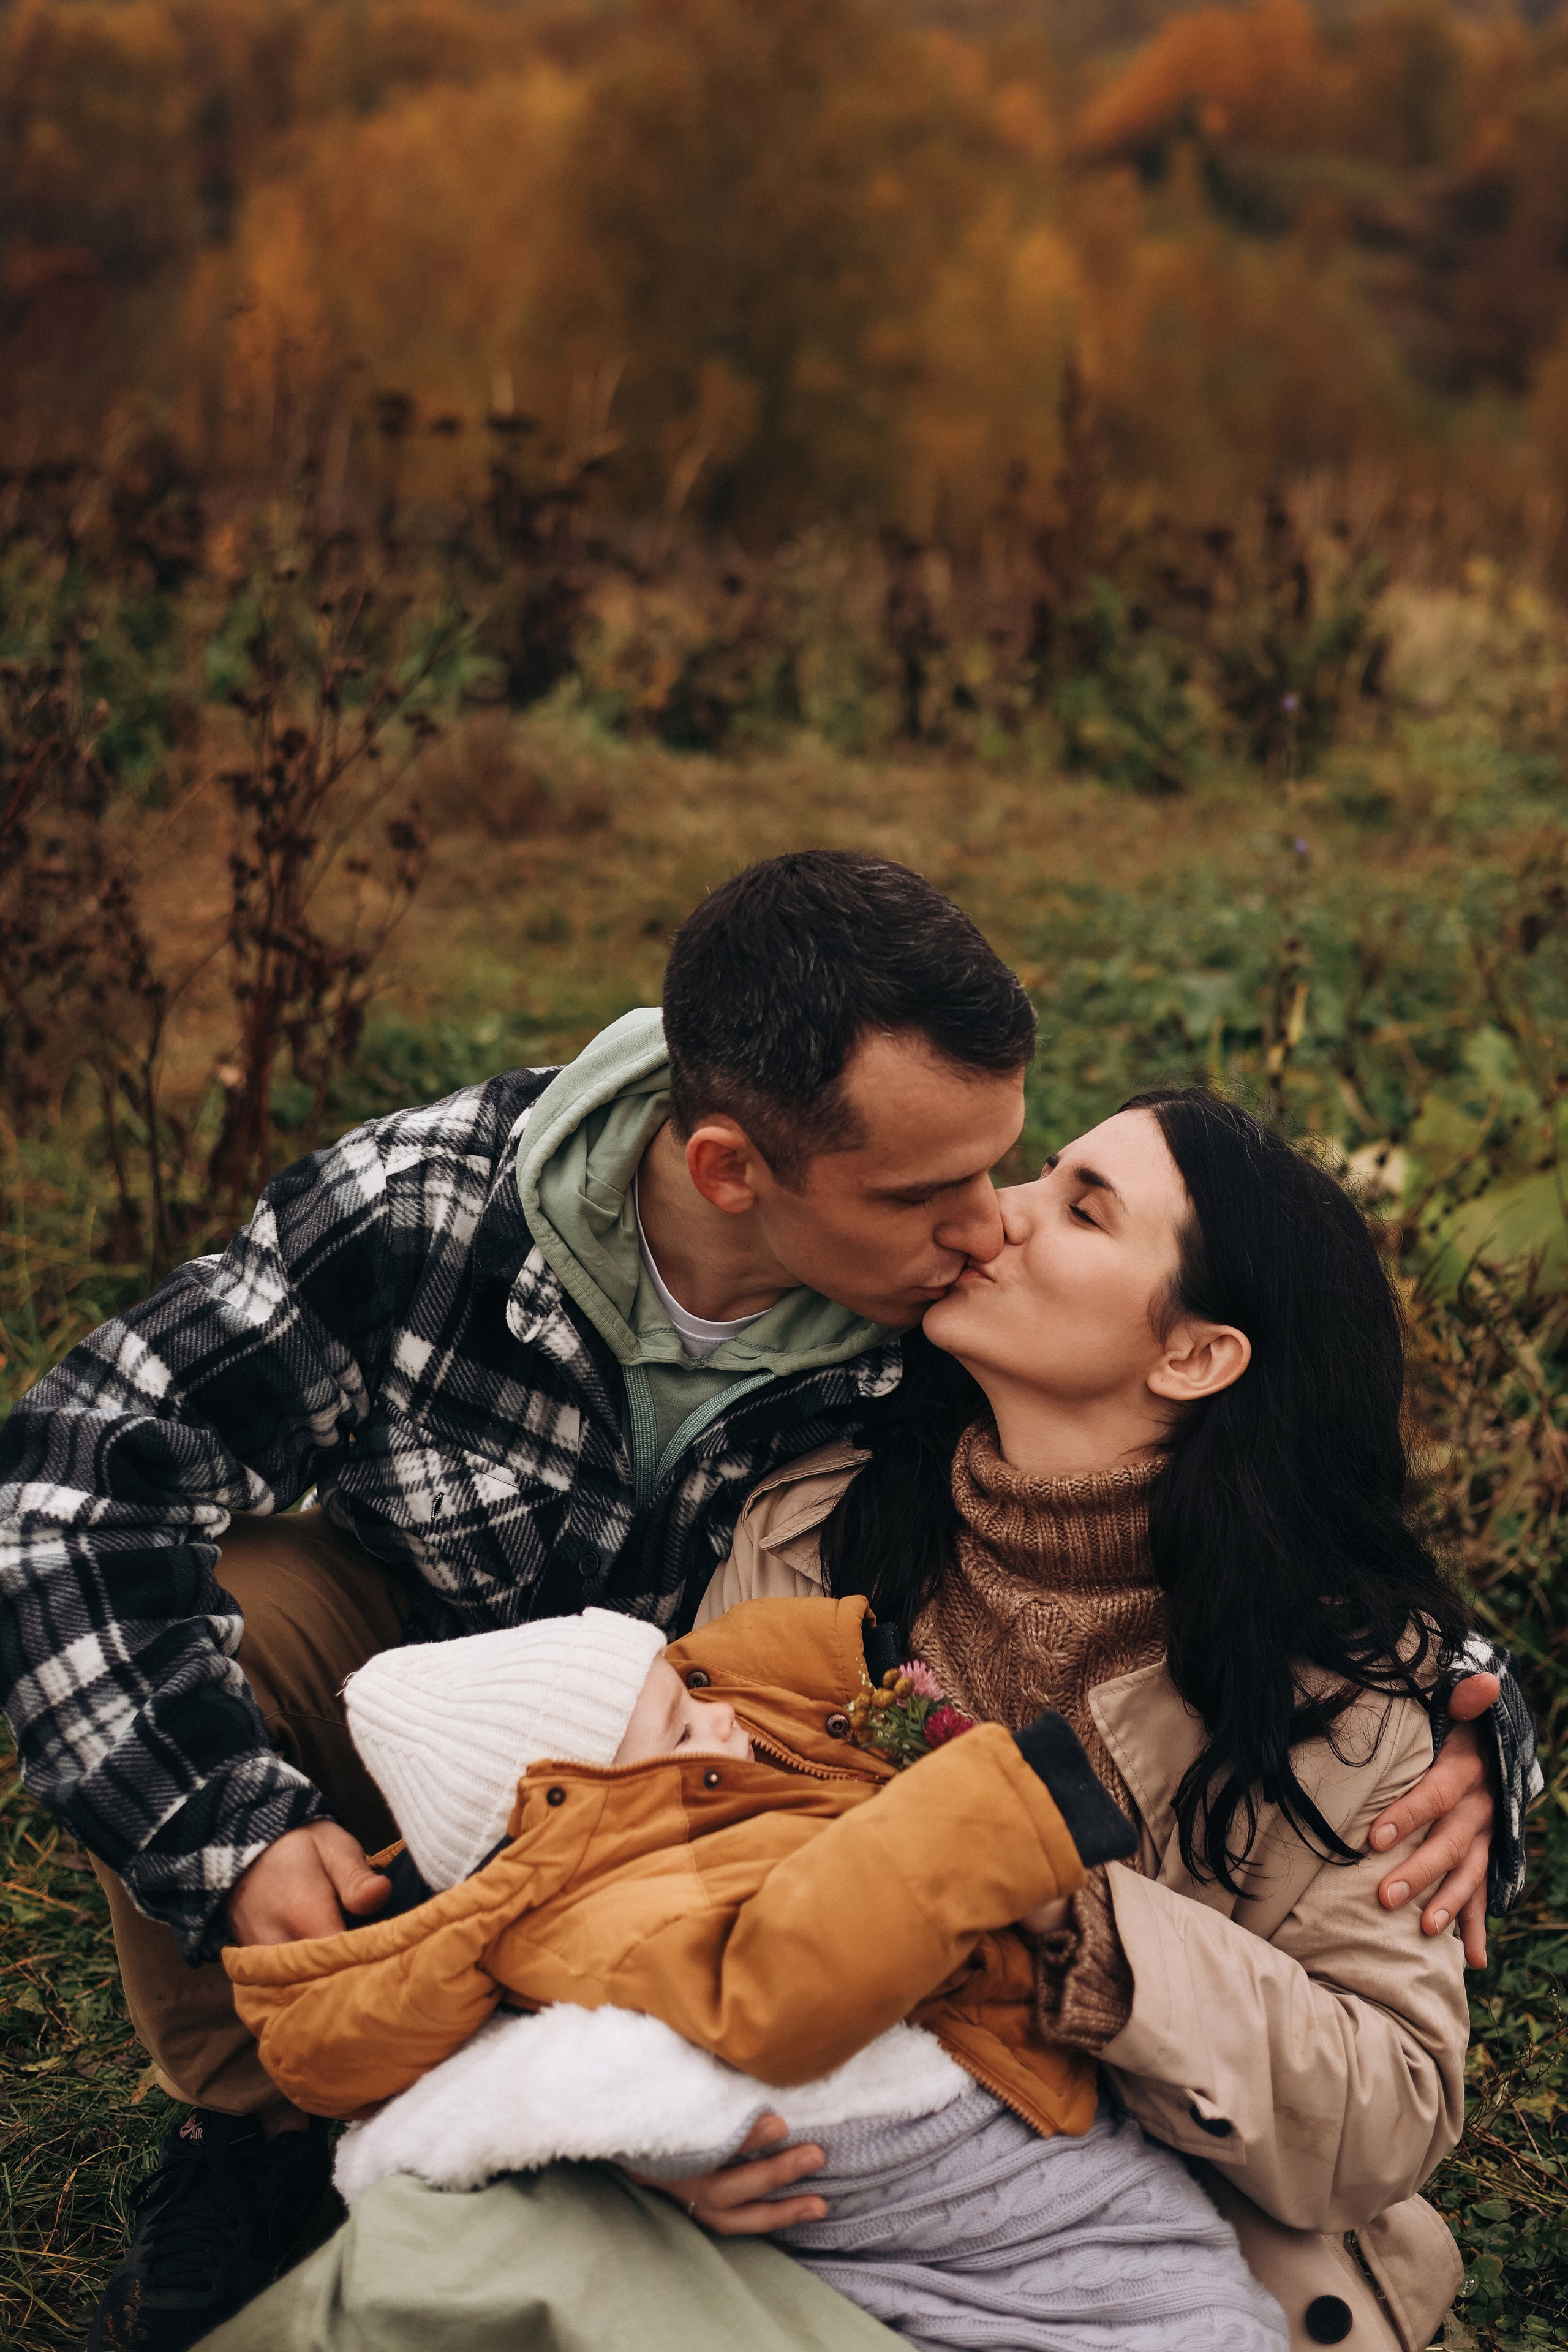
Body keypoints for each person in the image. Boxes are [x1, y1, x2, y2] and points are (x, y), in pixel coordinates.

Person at [0, 856, 1527, 2351]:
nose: (988, 1221)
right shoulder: (455, 1238)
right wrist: (243, 1839)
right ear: (732, 1170)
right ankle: (263, 2136)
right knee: (234, 1607)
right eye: (942, 1190)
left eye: (1042, 1183)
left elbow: (1257, 1496)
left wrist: (1473, 1717)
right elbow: (74, 1477)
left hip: (1024, 2126)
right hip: (531, 1753)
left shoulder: (948, 1366)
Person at [214, 1597, 1289, 2351]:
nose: (721, 1717)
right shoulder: (632, 1900)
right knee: (1175, 2306)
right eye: (683, 1722)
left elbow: (738, 1678)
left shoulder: (638, 1843)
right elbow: (785, 1979)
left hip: (950, 2223)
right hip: (1001, 2192)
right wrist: (1004, 1811)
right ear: (579, 1802)